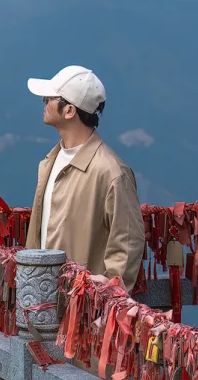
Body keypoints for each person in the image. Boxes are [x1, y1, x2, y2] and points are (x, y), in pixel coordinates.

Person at [23, 65, 145, 292]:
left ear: (69, 110)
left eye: (50, 98)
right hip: (41, 302)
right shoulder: (51, 161)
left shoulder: (111, 173)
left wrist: (107, 295)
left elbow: (127, 243)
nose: (43, 103)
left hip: (81, 311)